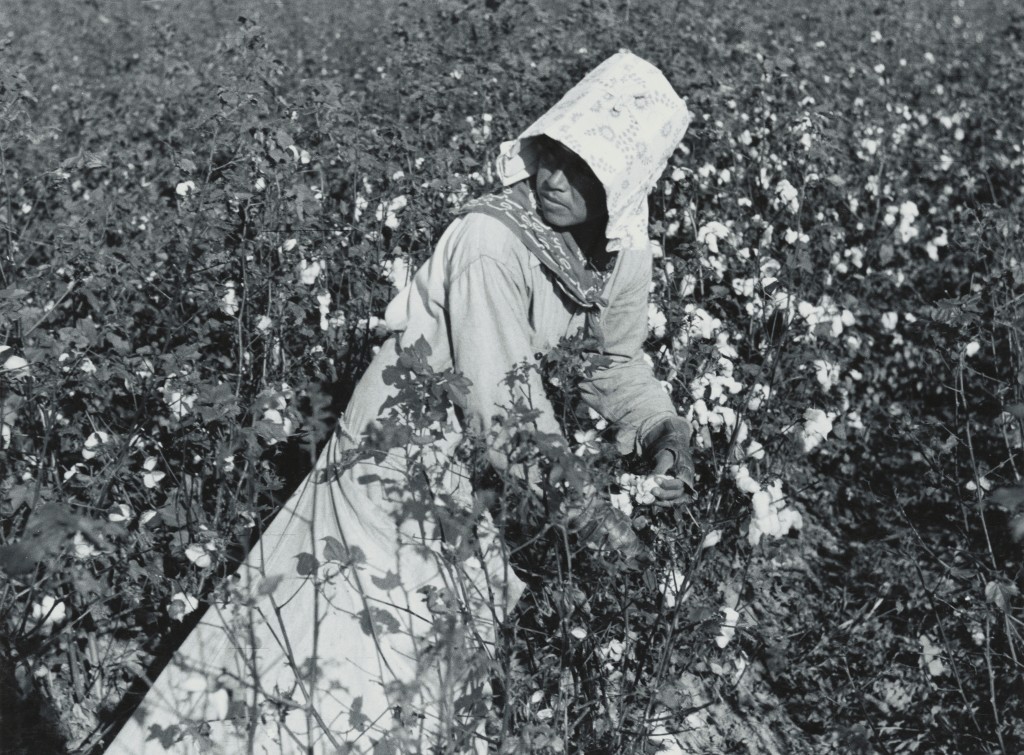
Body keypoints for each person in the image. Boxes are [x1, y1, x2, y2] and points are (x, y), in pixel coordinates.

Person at [105, 50, 695, 755]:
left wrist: (664, 428)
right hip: (394, 462)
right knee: (329, 651)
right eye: (551, 154)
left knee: (419, 677)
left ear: (621, 183)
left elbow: (614, 360)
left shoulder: (621, 250)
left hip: (479, 480)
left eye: (581, 168)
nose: (550, 178)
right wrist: (595, 518)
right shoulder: (491, 241)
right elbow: (504, 411)